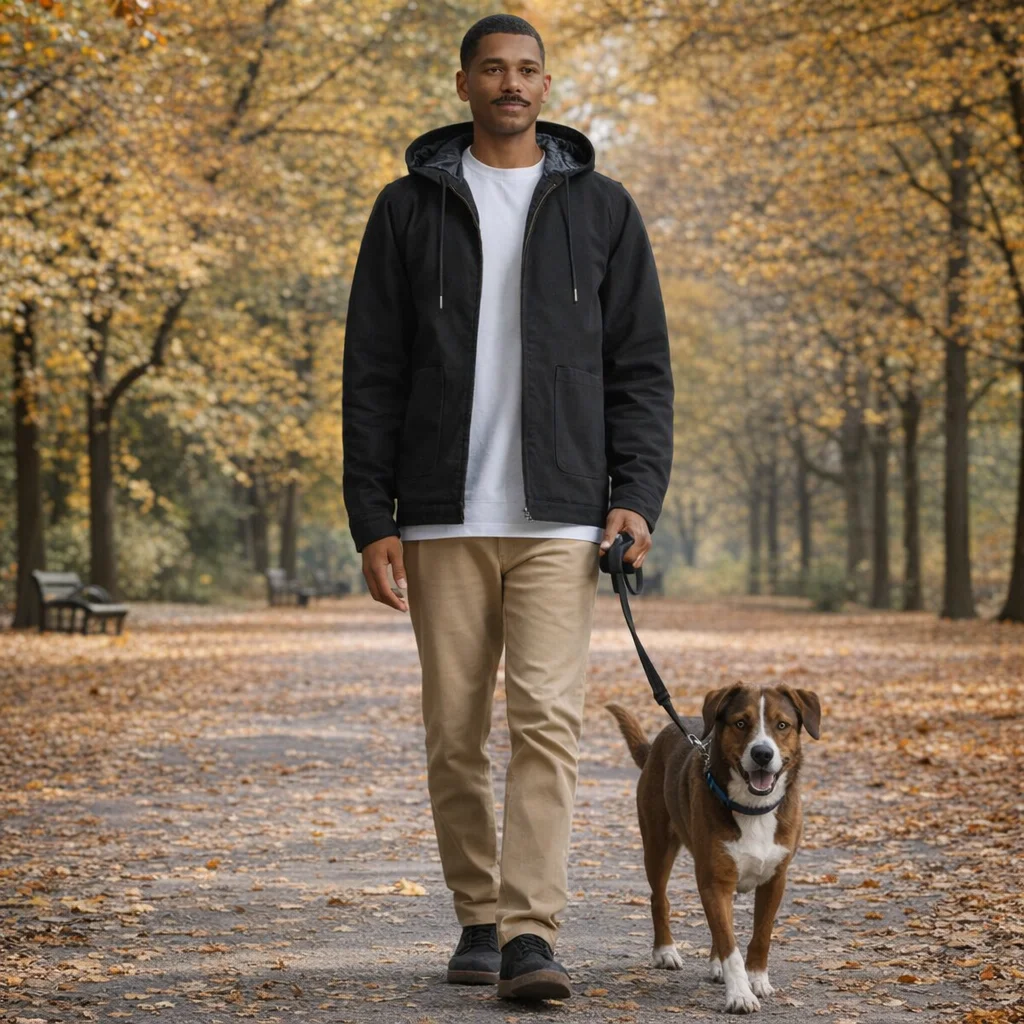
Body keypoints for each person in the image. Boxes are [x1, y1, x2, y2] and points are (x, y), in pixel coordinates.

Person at [342, 13, 673, 1002]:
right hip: (439, 515)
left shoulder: (603, 210)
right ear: (462, 84)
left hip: (561, 518)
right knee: (453, 731)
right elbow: (370, 371)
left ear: (546, 83)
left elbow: (640, 370)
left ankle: (531, 933)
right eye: (493, 68)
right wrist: (373, 516)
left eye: (527, 69)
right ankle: (476, 916)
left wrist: (634, 496)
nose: (511, 84)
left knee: (545, 724)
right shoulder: (406, 209)